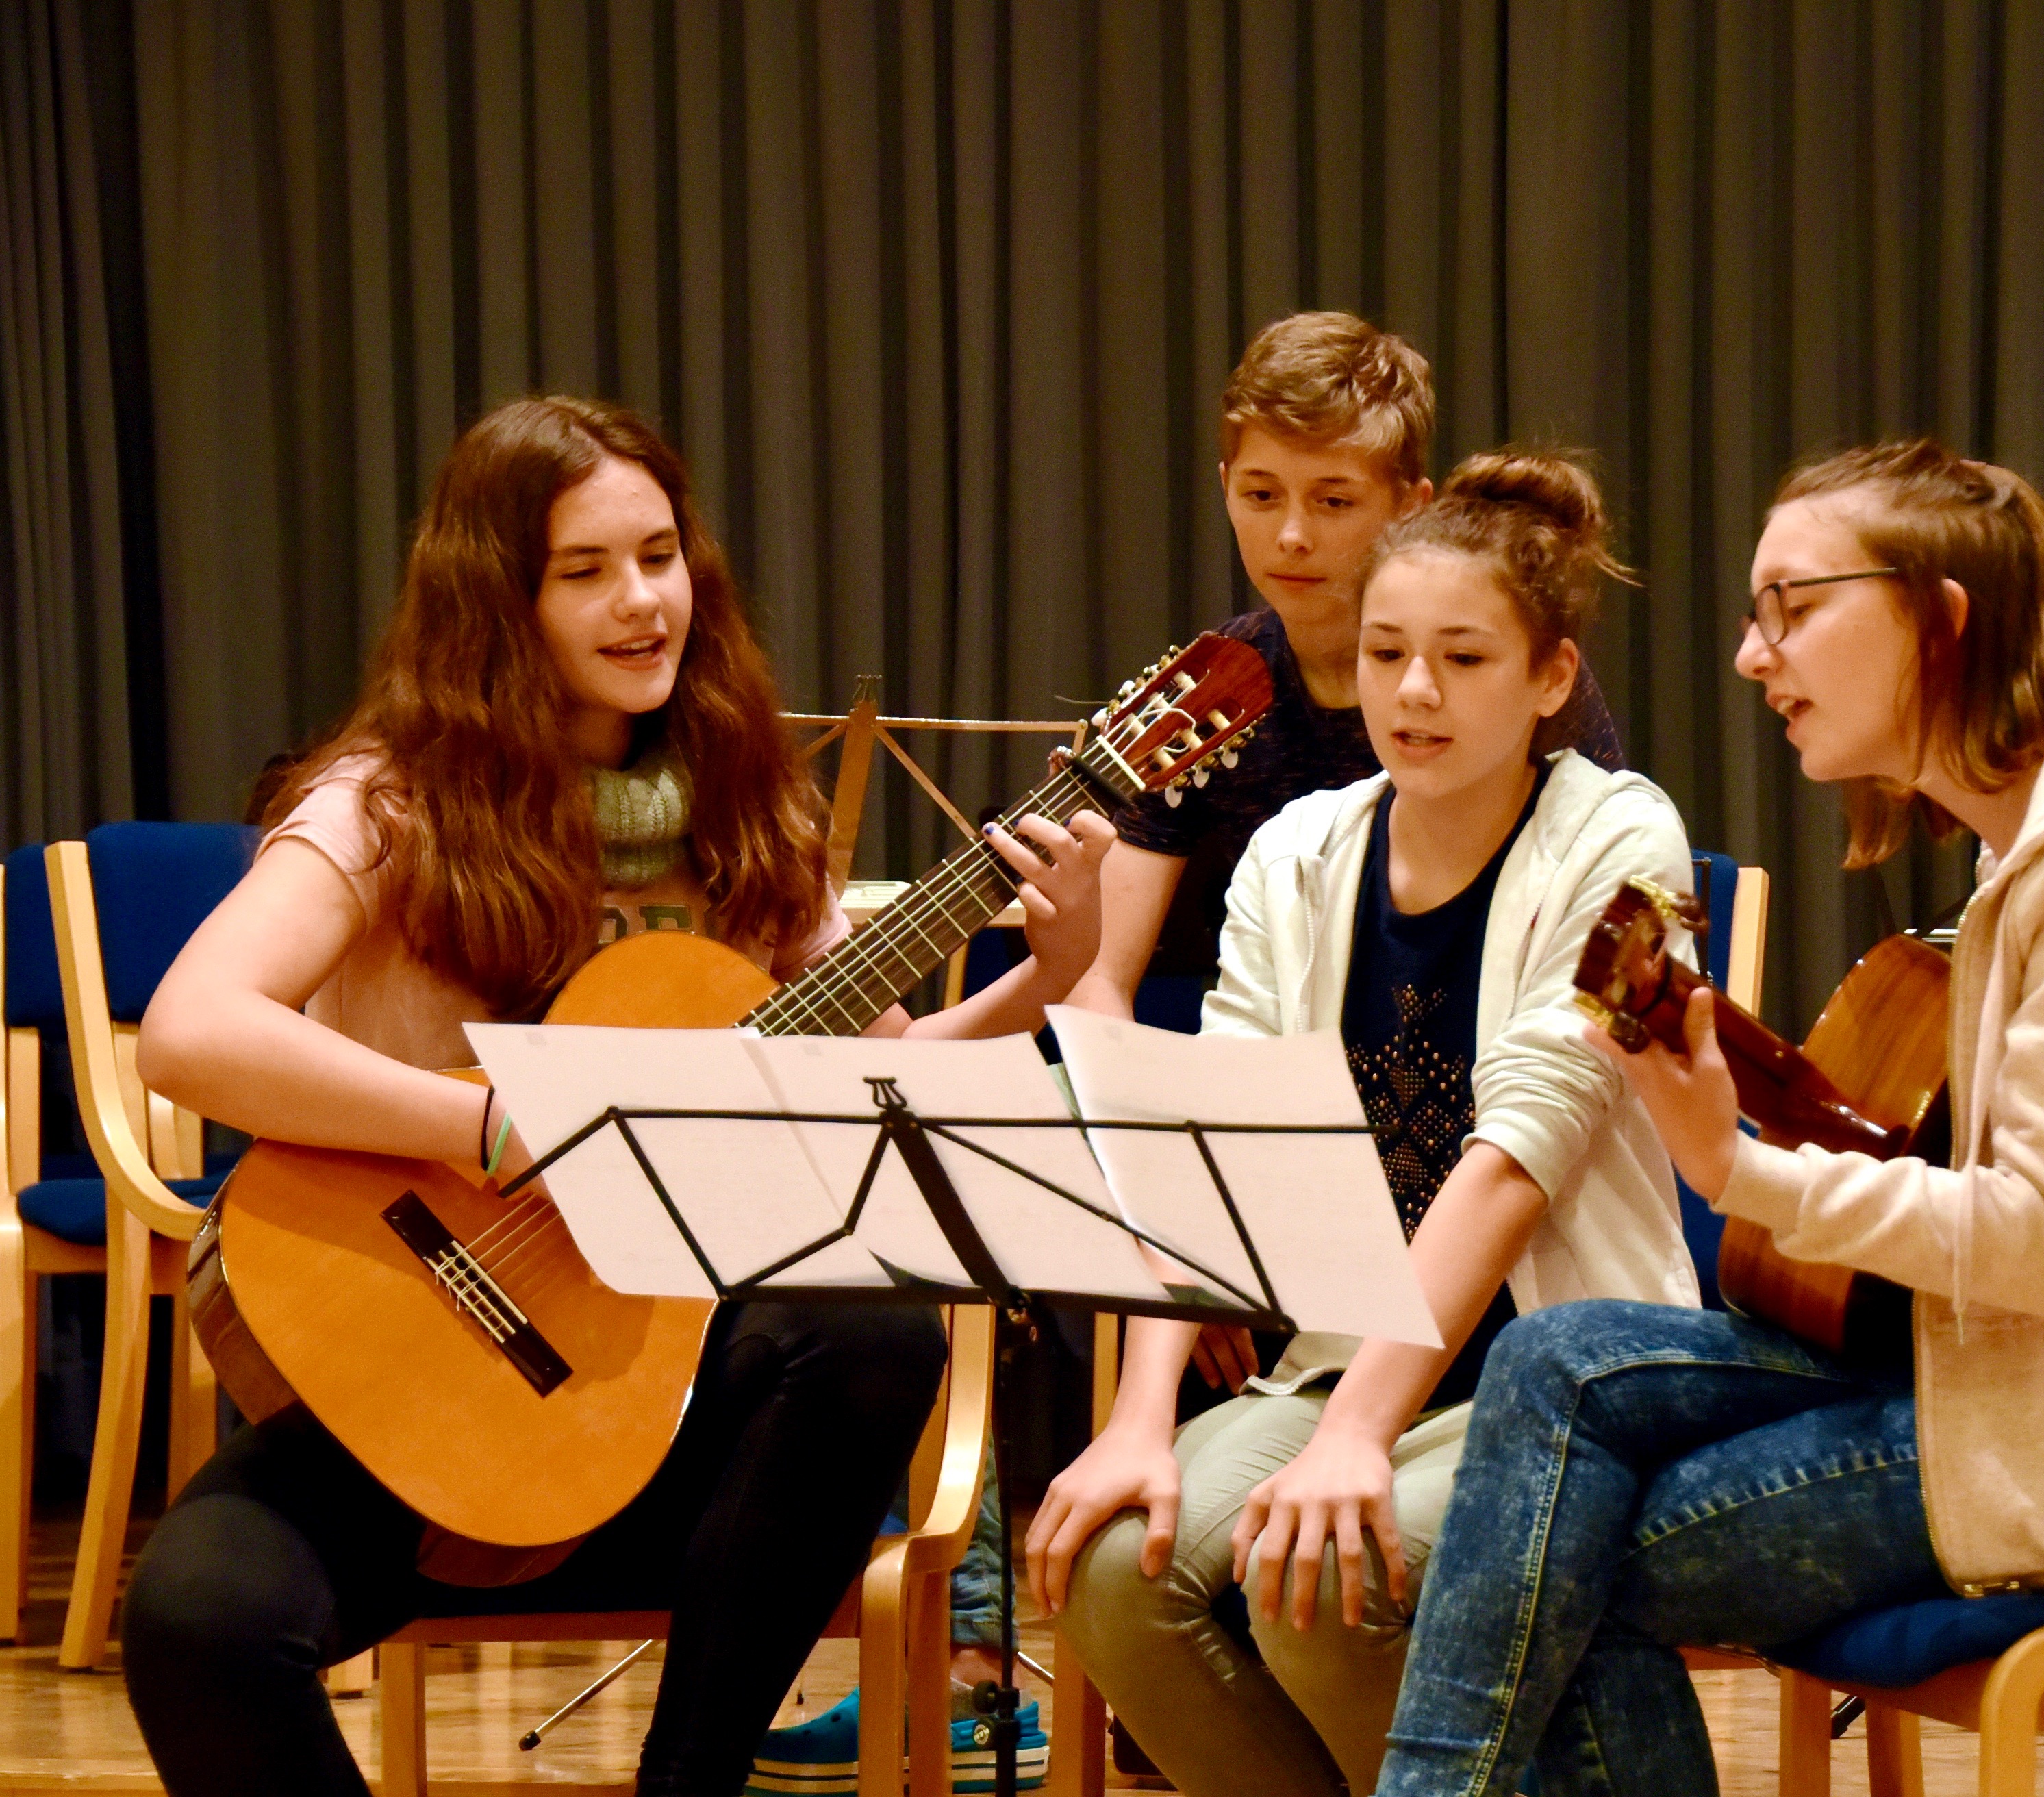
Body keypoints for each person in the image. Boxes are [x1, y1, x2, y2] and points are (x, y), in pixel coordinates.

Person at [125, 396, 1115, 1797]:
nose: (642, 600)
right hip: (425, 1397)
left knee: (877, 1333)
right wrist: (490, 1123)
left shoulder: (745, 811)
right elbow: (192, 1030)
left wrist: (1049, 976)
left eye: (659, 556)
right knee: (193, 1621)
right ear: (495, 598)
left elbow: (897, 1074)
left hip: (681, 1436)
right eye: (585, 569)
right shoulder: (385, 804)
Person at [1371, 439, 2044, 1796]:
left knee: (1561, 1551)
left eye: (1793, 605)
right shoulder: (2042, 832)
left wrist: (1739, 1166)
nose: (1752, 653)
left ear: (1940, 616)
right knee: (1555, 1360)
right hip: (2043, 1388)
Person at [1031, 451, 1702, 1797]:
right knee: (1116, 1569)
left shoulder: (1631, 839)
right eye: (1389, 651)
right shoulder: (1298, 852)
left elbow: (1523, 1155)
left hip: (1557, 1382)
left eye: (1462, 657)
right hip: (1340, 1367)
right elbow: (1217, 1141)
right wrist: (1141, 1416)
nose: (1411, 690)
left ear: (1551, 678)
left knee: (1320, 1571)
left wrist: (1352, 1441)